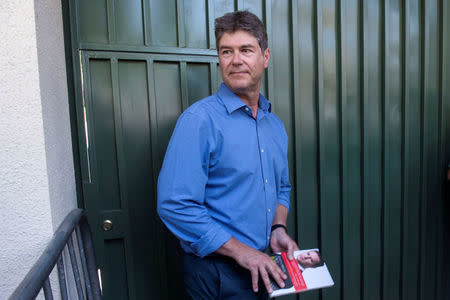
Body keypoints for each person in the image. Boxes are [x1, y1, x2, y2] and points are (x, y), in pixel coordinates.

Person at [157, 10, 298, 299]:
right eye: (226, 51)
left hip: (262, 267)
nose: (236, 60)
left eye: (246, 50)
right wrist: (241, 252)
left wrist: (278, 227)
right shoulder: (199, 121)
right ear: (219, 58)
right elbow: (174, 204)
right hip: (216, 274)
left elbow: (282, 186)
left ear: (265, 57)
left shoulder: (274, 125)